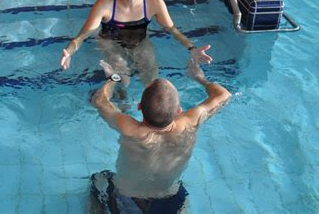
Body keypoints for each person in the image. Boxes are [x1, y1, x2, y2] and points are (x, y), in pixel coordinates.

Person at [90, 58, 231, 213]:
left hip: (126, 195)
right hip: (170, 198)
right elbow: (223, 95)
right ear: (179, 110)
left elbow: (99, 101)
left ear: (139, 107)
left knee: (99, 178)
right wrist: (199, 77)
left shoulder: (129, 128)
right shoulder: (191, 122)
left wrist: (113, 78)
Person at [60, 0, 211, 85]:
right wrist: (70, 52)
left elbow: (173, 30)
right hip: (110, 43)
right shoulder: (104, 5)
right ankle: (122, 100)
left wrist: (192, 48)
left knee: (151, 77)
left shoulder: (154, 2)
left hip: (140, 41)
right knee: (122, 80)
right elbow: (82, 36)